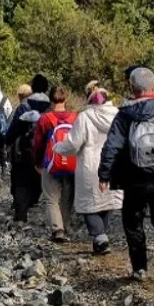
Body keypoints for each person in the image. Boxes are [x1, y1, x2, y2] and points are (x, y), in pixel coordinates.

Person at [98, 67, 154, 281]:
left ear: (132, 88)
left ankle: (139, 268)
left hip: (134, 180)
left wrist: (104, 174)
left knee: (133, 222)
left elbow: (112, 146)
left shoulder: (125, 114)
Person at [54, 82, 122, 255]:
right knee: (107, 200)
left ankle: (100, 237)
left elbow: (73, 143)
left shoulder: (85, 117)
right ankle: (102, 235)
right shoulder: (118, 115)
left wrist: (58, 147)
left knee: (89, 205)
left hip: (89, 164)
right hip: (113, 164)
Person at [33, 86, 78, 242]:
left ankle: (57, 229)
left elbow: (38, 143)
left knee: (51, 198)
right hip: (71, 162)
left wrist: (38, 162)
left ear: (50, 99)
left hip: (50, 162)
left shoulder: (45, 119)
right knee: (67, 197)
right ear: (66, 99)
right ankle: (66, 226)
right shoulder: (75, 117)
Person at [6, 76, 50, 222]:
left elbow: (14, 130)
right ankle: (34, 200)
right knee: (38, 177)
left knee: (22, 180)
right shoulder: (51, 107)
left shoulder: (24, 106)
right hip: (44, 150)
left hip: (25, 149)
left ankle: (21, 213)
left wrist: (7, 141)